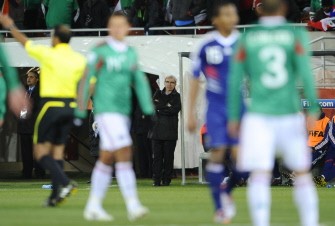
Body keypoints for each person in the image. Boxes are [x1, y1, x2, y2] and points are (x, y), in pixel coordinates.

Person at [228, 0, 319, 226]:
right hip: (288, 112)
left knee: (259, 173)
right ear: (284, 9)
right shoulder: (294, 36)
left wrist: (233, 116)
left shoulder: (247, 39)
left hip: (259, 115)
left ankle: (261, 222)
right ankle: (310, 222)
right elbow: (306, 75)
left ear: (259, 10)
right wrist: (314, 109)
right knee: (301, 172)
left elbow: (235, 81)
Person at [0, 14, 87, 206]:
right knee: (57, 153)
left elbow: (24, 42)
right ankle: (55, 196)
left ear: (55, 39)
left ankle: (65, 182)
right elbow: (87, 84)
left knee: (39, 152)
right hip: (70, 108)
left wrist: (11, 25)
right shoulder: (78, 59)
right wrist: (81, 109)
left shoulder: (49, 53)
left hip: (51, 107)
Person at [75, 12, 154, 222]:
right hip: (105, 111)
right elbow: (86, 77)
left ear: (127, 28)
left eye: (122, 25)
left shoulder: (130, 53)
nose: (118, 29)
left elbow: (139, 80)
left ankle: (93, 206)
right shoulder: (100, 51)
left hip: (122, 112)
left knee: (106, 158)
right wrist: (80, 108)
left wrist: (148, 107)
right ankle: (133, 205)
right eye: (114, 25)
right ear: (110, 27)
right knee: (124, 151)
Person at [187, 1, 241, 224]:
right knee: (218, 153)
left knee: (244, 163)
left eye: (234, 13)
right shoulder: (205, 45)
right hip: (216, 108)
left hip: (239, 107)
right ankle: (220, 208)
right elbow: (195, 80)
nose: (232, 17)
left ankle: (226, 191)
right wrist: (190, 112)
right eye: (227, 14)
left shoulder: (244, 43)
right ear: (215, 20)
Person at [151, 75, 181, 186]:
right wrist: (166, 106)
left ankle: (166, 180)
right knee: (157, 158)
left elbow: (174, 110)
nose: (169, 84)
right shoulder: (157, 93)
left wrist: (160, 107)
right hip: (156, 131)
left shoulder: (177, 96)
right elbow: (154, 106)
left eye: (172, 82)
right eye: (167, 81)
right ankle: (156, 180)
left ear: (175, 84)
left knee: (168, 157)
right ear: (164, 82)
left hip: (170, 132)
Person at [18, 68, 45, 179]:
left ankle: (39, 172)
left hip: (35, 125)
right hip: (24, 126)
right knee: (25, 151)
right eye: (27, 77)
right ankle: (27, 172)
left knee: (38, 150)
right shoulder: (23, 90)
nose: (28, 79)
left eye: (31, 77)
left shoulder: (40, 92)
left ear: (37, 79)